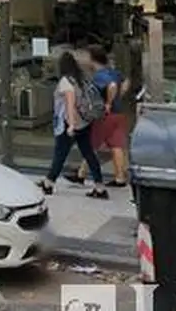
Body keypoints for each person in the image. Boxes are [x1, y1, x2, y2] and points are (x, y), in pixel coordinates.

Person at [38, 51, 108, 199]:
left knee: (60, 155)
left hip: (70, 124)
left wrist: (71, 125)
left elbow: (70, 104)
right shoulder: (81, 78)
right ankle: (100, 187)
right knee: (89, 154)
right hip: (85, 123)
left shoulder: (66, 81)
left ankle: (48, 183)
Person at [69, 46, 129, 187]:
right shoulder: (113, 71)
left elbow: (112, 86)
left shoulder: (100, 75)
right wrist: (119, 96)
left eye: (85, 56)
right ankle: (120, 177)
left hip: (105, 115)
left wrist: (108, 102)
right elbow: (125, 81)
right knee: (116, 145)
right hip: (118, 113)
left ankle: (81, 175)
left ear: (92, 58)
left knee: (91, 144)